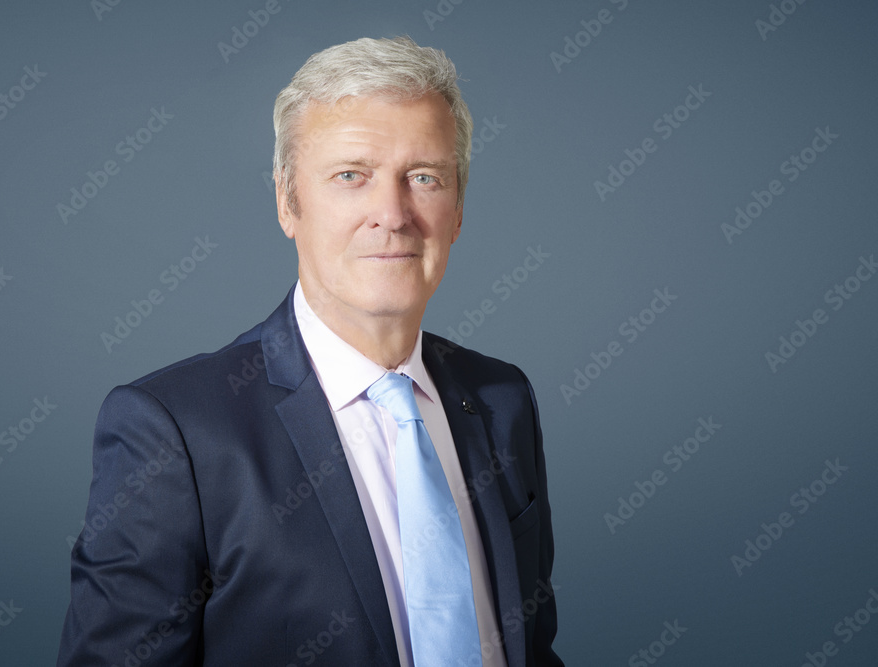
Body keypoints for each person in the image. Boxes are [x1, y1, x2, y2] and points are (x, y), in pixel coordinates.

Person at [57, 35, 563, 667]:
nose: (392, 213)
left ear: (457, 209)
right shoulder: (175, 432)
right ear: (287, 202)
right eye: (351, 176)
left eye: (424, 177)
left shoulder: (501, 399)